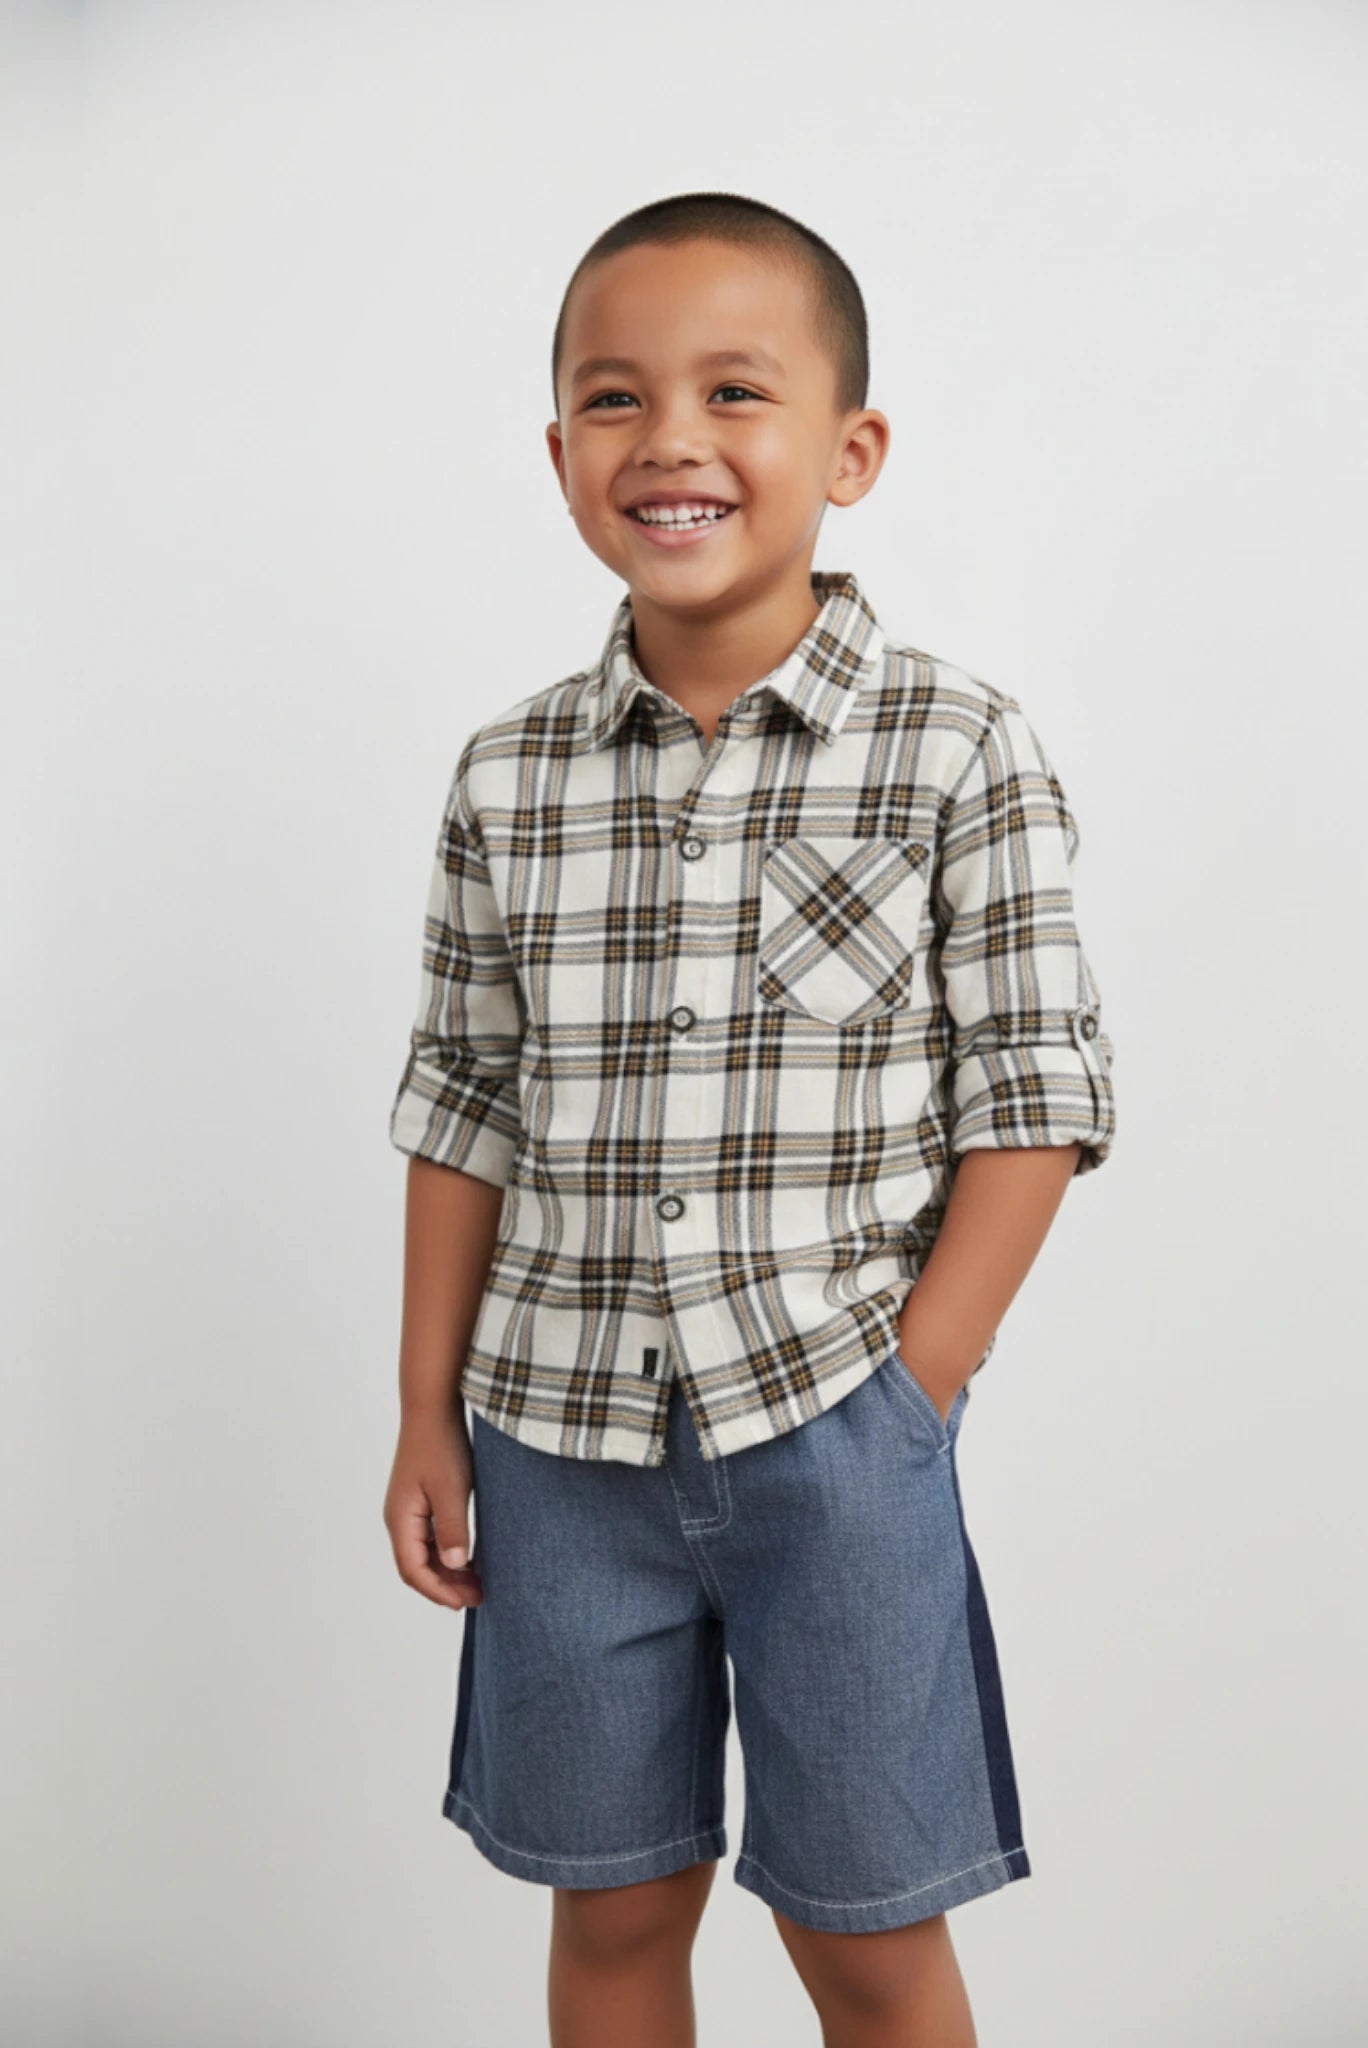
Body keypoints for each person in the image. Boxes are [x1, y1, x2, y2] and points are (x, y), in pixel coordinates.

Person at [382, 189, 1117, 2048]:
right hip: (557, 1442)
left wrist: (913, 1392)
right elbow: (463, 1103)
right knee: (614, 1921)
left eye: (736, 392)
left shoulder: (956, 745)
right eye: (615, 400)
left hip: (836, 1439)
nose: (674, 443)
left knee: (866, 1939)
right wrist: (424, 1410)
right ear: (560, 453)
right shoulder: (509, 774)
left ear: (849, 450)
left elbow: (1036, 1094)